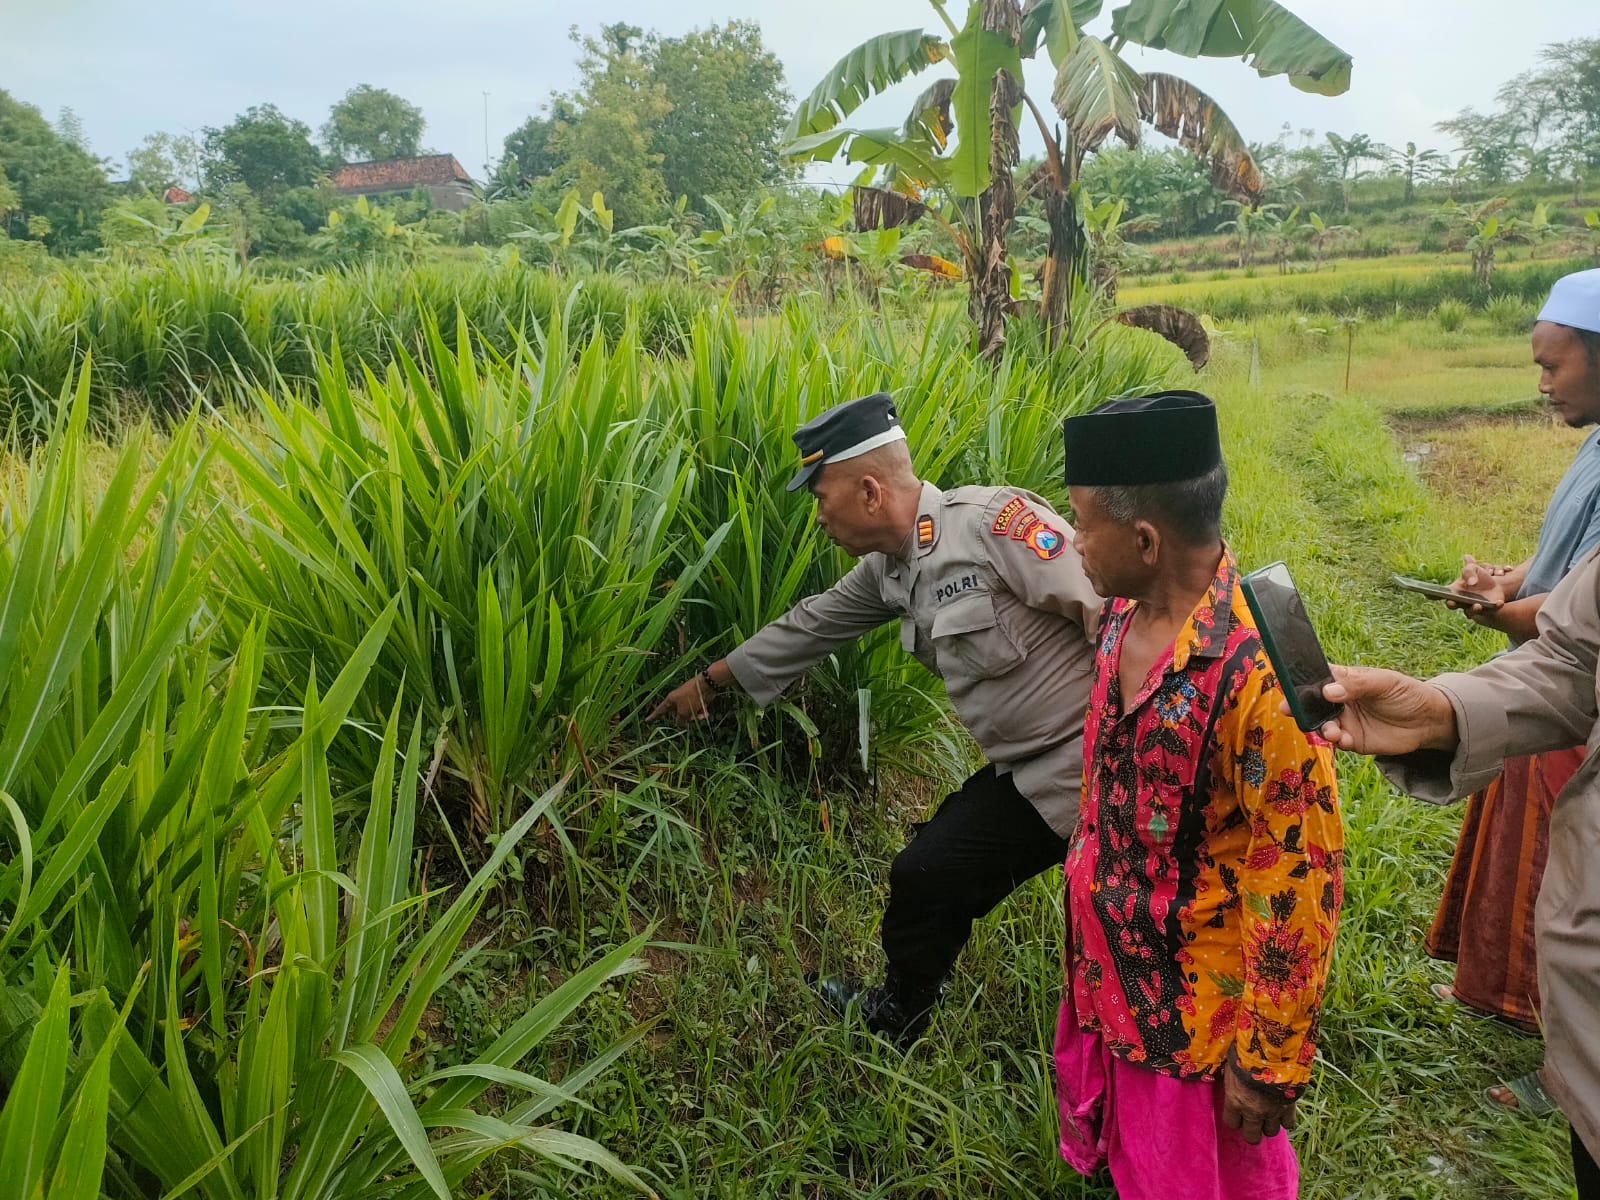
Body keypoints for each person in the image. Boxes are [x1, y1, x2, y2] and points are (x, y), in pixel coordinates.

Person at [651, 391, 1101, 1043]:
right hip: (1030, 772)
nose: (817, 516)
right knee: (927, 872)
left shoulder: (992, 526)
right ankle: (902, 1011)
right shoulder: (891, 571)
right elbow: (812, 625)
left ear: (868, 491)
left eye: (820, 496)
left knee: (1099, 920)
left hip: (1094, 759)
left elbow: (1109, 613)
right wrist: (709, 684)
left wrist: (1139, 750)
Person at [1054, 391, 1343, 1200]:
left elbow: (1300, 872)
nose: (1071, 541)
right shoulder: (1123, 616)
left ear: (1144, 540)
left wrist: (1269, 1058)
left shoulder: (1268, 668)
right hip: (1113, 976)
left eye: (1081, 523)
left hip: (1201, 1026)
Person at [1422, 269, 1600, 1114]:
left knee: (1563, 884)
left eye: (1553, 367)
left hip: (1572, 709)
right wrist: (1506, 578)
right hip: (1544, 693)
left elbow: (1570, 626)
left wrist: (1501, 612)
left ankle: (1564, 1071)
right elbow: (1568, 560)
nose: (1542, 385)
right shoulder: (1596, 446)